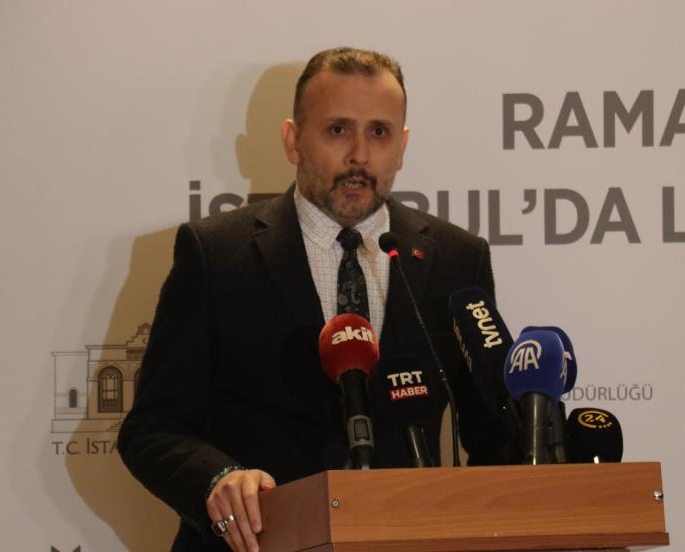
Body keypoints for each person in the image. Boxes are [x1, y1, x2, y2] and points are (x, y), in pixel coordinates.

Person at [118, 47, 503, 552]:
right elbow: (151, 428)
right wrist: (217, 480)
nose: (360, 155)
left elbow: (494, 435)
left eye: (380, 132)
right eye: (338, 130)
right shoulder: (215, 254)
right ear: (293, 140)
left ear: (402, 147)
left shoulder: (455, 260)